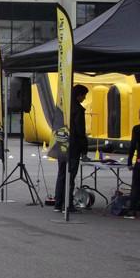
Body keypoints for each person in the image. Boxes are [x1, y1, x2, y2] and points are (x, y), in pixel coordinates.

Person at [54, 84, 89, 213]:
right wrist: (84, 149)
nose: (84, 98)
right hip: (74, 146)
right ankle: (68, 204)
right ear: (78, 95)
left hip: (62, 144)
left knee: (61, 174)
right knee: (70, 176)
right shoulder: (78, 110)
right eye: (84, 95)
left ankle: (58, 203)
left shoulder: (63, 108)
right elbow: (80, 131)